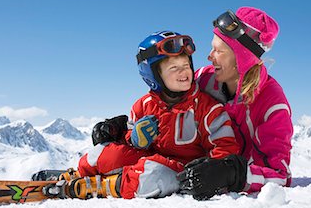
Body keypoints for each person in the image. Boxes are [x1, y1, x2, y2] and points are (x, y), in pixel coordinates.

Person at [34, 31, 240, 199]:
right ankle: (74, 175)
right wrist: (134, 139)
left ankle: (99, 187)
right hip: (148, 159)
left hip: (182, 172)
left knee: (153, 176)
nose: (183, 72)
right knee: (107, 152)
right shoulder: (143, 105)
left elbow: (225, 148)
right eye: (174, 68)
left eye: (186, 65)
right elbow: (129, 144)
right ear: (154, 76)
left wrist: (214, 171)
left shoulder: (207, 109)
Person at [176, 7, 294, 200]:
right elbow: (168, 103)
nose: (209, 56)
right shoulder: (204, 79)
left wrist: (231, 174)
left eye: (218, 50)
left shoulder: (272, 103)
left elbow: (280, 176)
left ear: (242, 58)